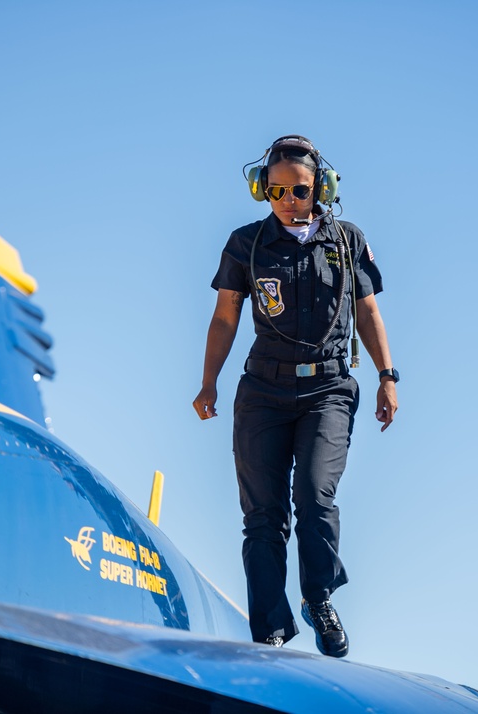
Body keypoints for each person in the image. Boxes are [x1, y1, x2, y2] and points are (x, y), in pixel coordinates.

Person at [192, 135, 398, 658]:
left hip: (328, 388)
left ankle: (318, 595)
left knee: (314, 493)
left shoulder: (347, 242)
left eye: (299, 190)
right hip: (263, 389)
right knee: (262, 515)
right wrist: (209, 381)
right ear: (262, 188)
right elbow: (225, 316)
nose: (288, 199)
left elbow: (369, 313)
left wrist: (387, 375)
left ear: (320, 188)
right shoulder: (246, 244)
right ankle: (270, 632)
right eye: (276, 189)